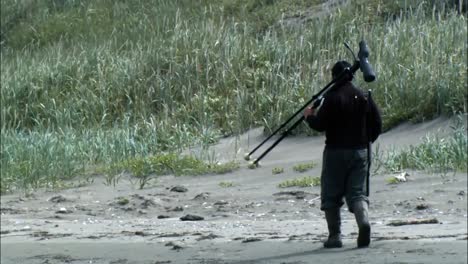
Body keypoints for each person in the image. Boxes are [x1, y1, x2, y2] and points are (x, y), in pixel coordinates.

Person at [304, 60, 382, 248]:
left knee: (331, 194)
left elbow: (320, 124)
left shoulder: (332, 97)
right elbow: (377, 124)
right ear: (352, 76)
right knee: (357, 194)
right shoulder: (363, 96)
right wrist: (365, 141)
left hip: (335, 152)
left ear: (334, 76)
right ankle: (363, 223)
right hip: (360, 152)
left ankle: (335, 236)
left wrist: (309, 117)